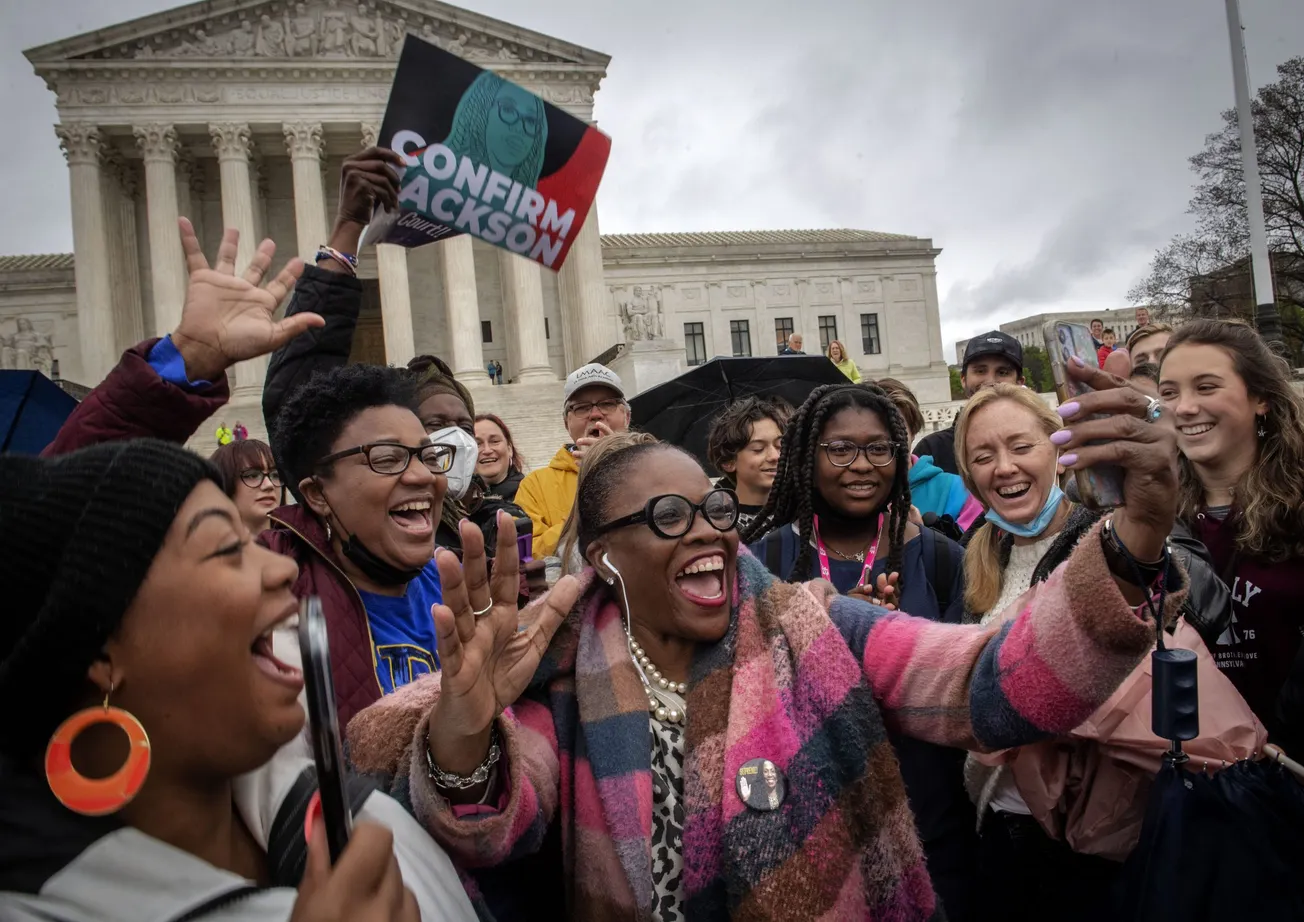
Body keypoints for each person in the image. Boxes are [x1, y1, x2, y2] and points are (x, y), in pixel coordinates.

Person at [346, 354, 1188, 920]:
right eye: (667, 516)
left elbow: (987, 685)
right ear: (603, 558)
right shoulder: (563, 676)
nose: (707, 531)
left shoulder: (811, 622)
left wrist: (1134, 540)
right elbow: (501, 825)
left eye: (714, 508)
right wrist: (465, 730)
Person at [0, 441, 478, 922]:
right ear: (100, 651)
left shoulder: (362, 813)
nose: (283, 568)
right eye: (229, 548)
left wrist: (464, 739)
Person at [952, 381, 1236, 920]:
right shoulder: (977, 555)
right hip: (998, 831)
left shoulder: (1107, 530)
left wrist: (1142, 534)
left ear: (1059, 449)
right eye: (983, 457)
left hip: (1094, 838)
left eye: (1021, 446)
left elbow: (1208, 606)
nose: (1005, 468)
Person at [741, 382, 977, 918]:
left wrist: (897, 644)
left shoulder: (942, 559)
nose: (863, 465)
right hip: (813, 828)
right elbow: (749, 693)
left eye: (878, 449)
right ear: (807, 456)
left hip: (932, 822)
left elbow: (962, 693)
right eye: (840, 449)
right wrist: (826, 633)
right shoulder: (763, 561)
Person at [1159, 318, 1304, 744]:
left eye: (1206, 387)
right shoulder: (1151, 518)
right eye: (1169, 393)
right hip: (1192, 765)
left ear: (1260, 397)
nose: (1184, 407)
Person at [516, 362, 630, 558]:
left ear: (627, 417)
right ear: (566, 423)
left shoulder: (656, 469)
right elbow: (527, 553)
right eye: (582, 408)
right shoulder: (535, 486)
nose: (595, 414)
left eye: (608, 404)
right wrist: (581, 519)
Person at [878, 376, 984, 534]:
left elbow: (977, 547)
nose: (885, 440)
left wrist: (923, 539)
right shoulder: (850, 495)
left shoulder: (959, 491)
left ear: (913, 431)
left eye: (896, 428)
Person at [914, 331, 1024, 475]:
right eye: (980, 371)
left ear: (1019, 382)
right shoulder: (932, 450)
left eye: (1003, 372)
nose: (990, 381)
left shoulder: (1041, 442)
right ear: (963, 379)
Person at [705, 395, 792, 533]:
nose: (775, 456)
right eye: (758, 449)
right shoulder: (717, 525)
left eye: (780, 445)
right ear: (728, 461)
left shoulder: (803, 513)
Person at [210, 437, 281, 536]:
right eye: (253, 475)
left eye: (275, 475)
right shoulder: (198, 545)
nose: (269, 485)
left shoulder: (301, 543)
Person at [475, 413, 527, 503]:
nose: (487, 450)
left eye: (494, 441)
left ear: (509, 449)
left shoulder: (531, 495)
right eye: (477, 444)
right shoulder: (456, 501)